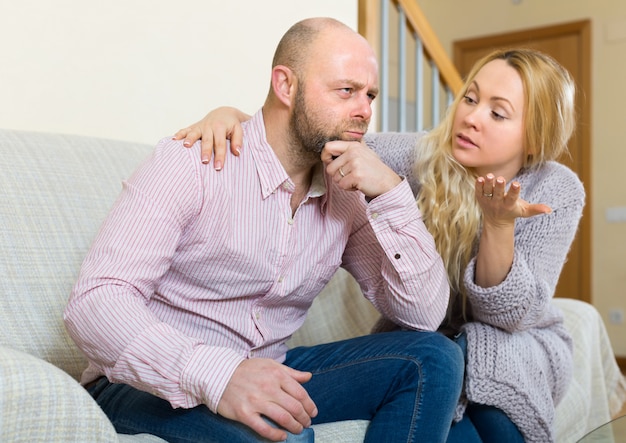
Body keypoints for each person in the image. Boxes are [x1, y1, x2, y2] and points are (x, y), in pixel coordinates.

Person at [64, 17, 464, 443]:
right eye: (345, 91)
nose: (364, 110)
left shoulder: (346, 195)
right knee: (279, 435)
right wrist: (220, 375)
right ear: (286, 86)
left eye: (370, 95)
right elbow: (94, 302)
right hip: (143, 386)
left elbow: (422, 315)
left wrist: (391, 194)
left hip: (268, 368)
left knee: (434, 358)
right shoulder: (193, 163)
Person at [176, 47, 585, 443]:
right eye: (470, 98)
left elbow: (509, 317)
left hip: (514, 336)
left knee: (491, 357)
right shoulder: (415, 155)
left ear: (534, 137)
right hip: (428, 339)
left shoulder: (557, 188)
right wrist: (233, 117)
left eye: (497, 113)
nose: (472, 118)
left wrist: (498, 225)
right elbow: (307, 141)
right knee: (445, 362)